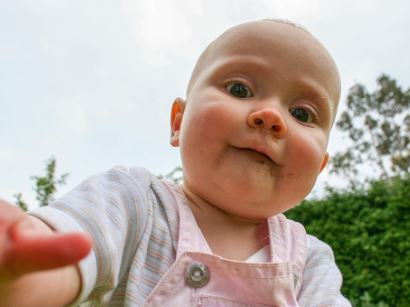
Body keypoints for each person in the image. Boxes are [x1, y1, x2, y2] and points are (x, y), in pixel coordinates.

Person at [0, 19, 351, 306]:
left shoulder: (309, 263)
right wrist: (18, 276)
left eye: (302, 113)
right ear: (178, 122)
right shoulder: (133, 205)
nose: (271, 116)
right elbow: (56, 259)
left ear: (319, 168)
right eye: (240, 90)